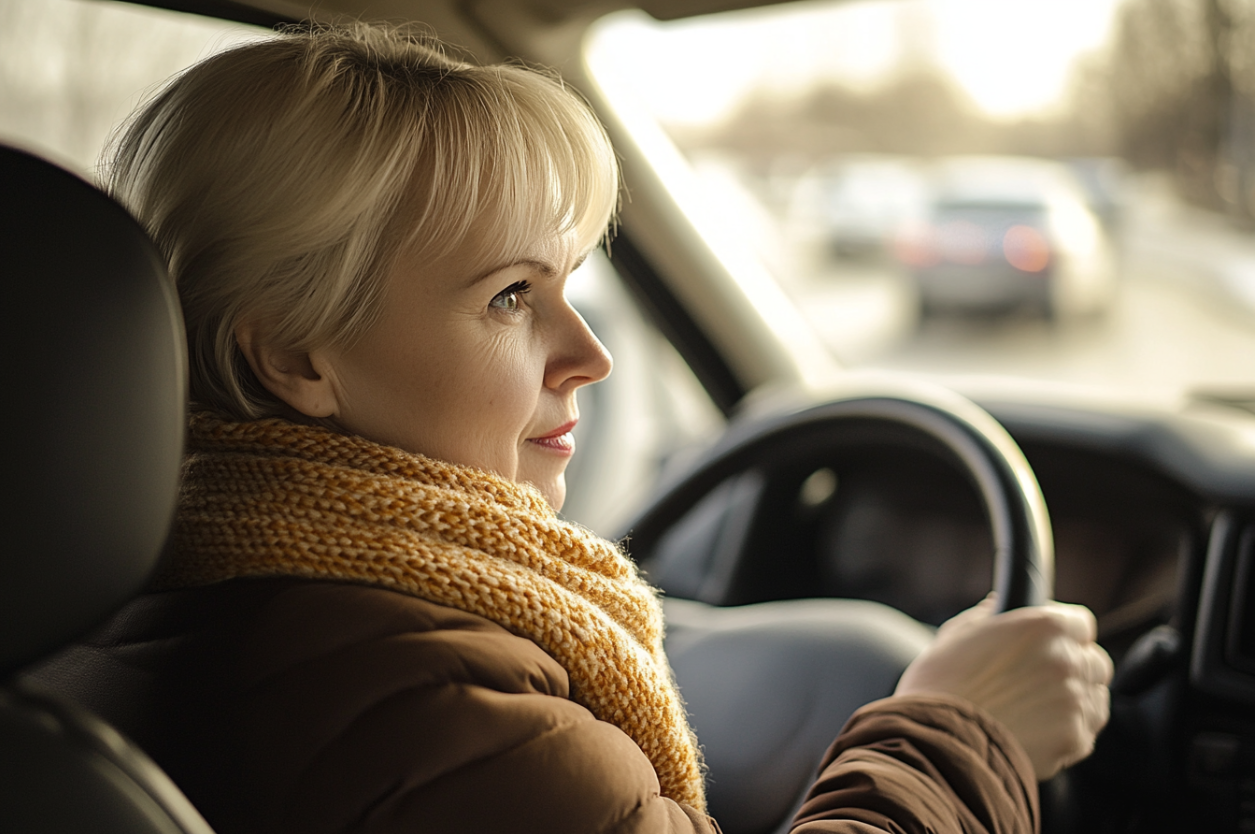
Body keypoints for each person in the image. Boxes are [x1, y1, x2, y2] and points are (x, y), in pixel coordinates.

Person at [30, 22, 1112, 834]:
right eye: (510, 296)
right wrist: (963, 728)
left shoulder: (103, 609)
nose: (589, 354)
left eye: (571, 286)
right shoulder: (432, 718)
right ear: (294, 356)